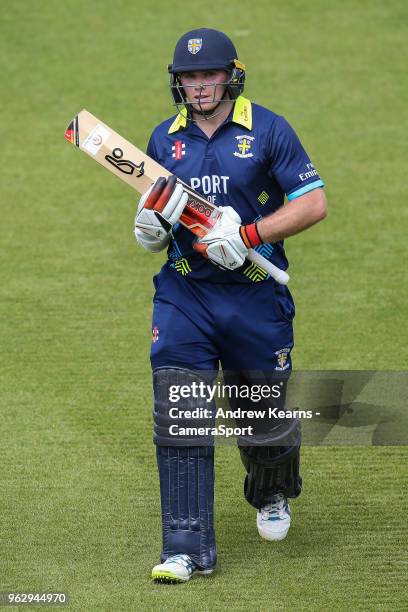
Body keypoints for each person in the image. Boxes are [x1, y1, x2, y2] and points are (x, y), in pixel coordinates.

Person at [134, 27, 327, 583]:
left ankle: (271, 492)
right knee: (180, 412)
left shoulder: (267, 128)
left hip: (254, 297)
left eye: (208, 75)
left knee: (262, 420)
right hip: (184, 295)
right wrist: (148, 228)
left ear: (231, 75)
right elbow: (158, 211)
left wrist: (248, 234)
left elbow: (313, 202)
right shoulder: (161, 138)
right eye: (189, 77)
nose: (199, 86)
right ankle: (184, 549)